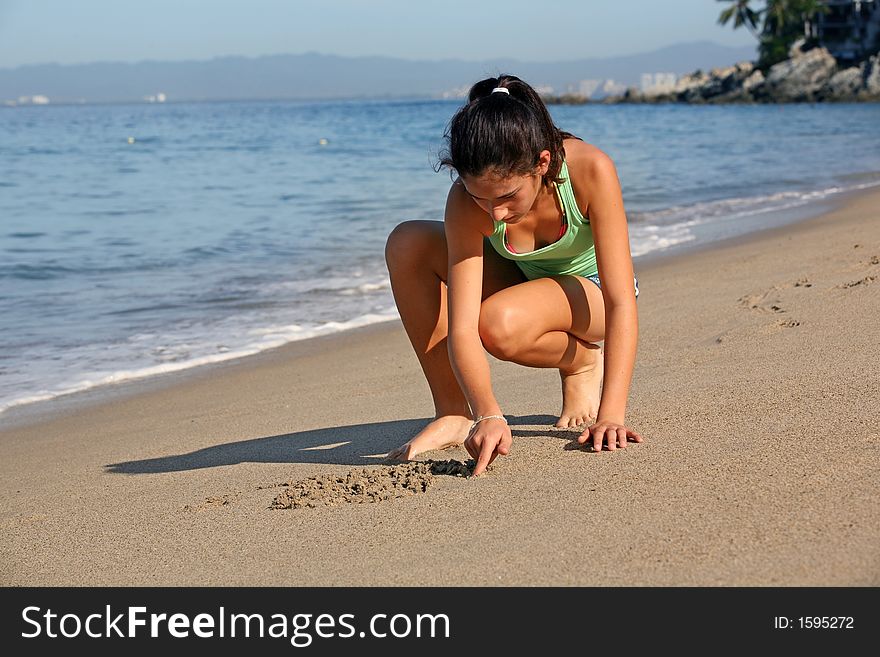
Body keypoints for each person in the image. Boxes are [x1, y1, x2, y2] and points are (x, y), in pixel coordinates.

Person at [385, 74, 642, 476]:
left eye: (507, 197)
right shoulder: (470, 202)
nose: (495, 213)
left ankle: (583, 361)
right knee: (408, 242)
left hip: (594, 296)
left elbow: (621, 300)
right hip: (525, 283)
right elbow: (462, 326)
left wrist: (612, 414)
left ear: (541, 163)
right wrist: (489, 413)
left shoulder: (590, 170)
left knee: (499, 324)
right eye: (479, 197)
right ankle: (453, 411)